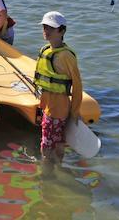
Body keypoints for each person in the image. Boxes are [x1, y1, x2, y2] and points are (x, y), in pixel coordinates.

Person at [35, 11, 82, 164]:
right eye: (44, 27)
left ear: (62, 31)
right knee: (57, 142)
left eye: (51, 28)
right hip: (47, 106)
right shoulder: (45, 50)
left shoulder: (65, 56)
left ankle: (46, 176)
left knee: (46, 147)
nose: (46, 31)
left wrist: (74, 112)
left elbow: (77, 85)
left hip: (57, 110)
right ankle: (58, 170)